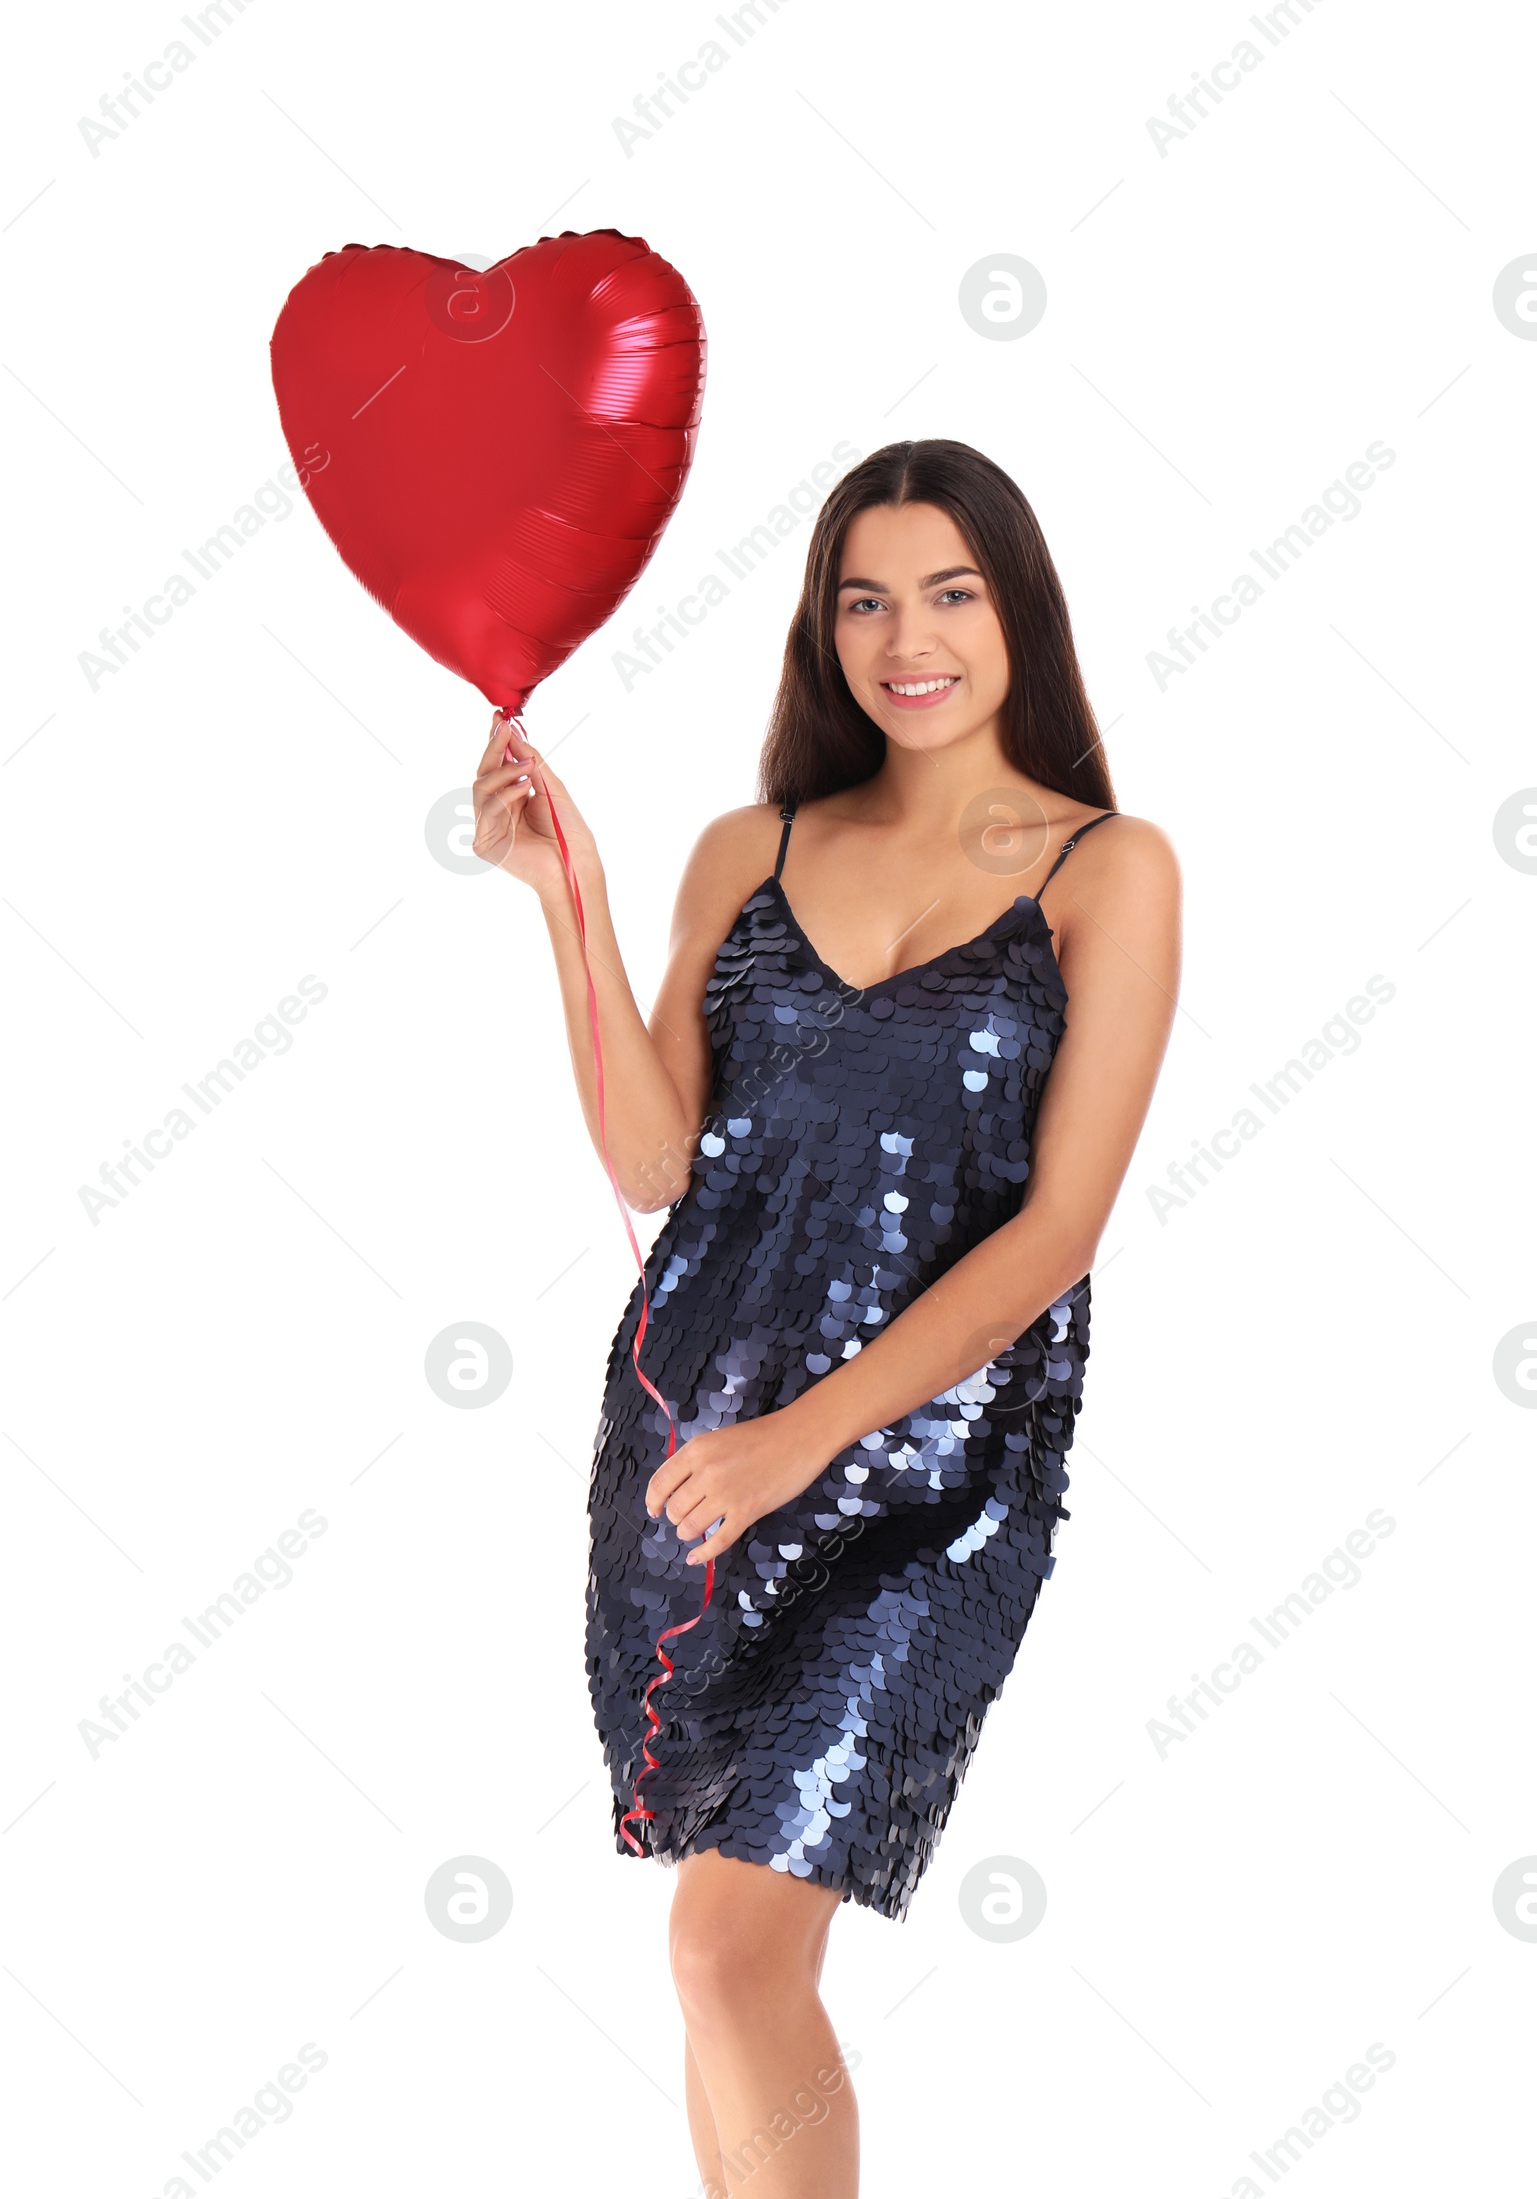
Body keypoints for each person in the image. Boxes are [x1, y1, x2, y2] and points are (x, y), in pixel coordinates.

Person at [472, 438, 1181, 2199]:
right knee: (721, 1959)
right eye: (864, 598)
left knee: (730, 1945)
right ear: (823, 626)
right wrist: (570, 901)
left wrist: (813, 1440)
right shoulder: (755, 846)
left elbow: (1057, 1237)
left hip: (931, 1485)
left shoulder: (1109, 870)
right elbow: (656, 1154)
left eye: (949, 591)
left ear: (1017, 605)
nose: (906, 636)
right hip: (697, 1449)